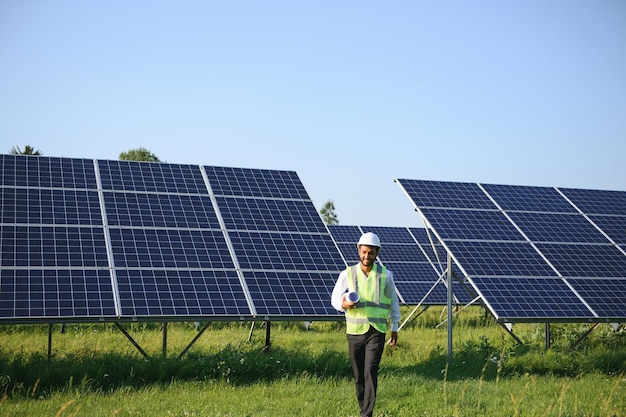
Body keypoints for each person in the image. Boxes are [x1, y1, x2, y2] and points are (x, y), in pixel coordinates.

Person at [331, 232, 400, 417]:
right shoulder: (347, 274)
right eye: (364, 252)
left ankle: (366, 414)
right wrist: (343, 304)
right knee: (359, 374)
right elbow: (335, 298)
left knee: (370, 370)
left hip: (377, 331)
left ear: (377, 253)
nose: (366, 256)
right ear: (358, 251)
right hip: (354, 331)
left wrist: (394, 327)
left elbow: (394, 302)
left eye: (370, 253)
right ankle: (364, 407)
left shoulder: (386, 275)